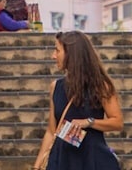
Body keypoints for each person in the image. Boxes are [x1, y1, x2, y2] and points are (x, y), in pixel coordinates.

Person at [34, 32, 124, 170]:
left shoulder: (100, 86)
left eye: (57, 50)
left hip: (91, 159)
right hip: (62, 160)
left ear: (71, 54)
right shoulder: (56, 87)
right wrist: (37, 166)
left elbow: (117, 122)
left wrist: (89, 122)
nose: (53, 56)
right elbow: (51, 131)